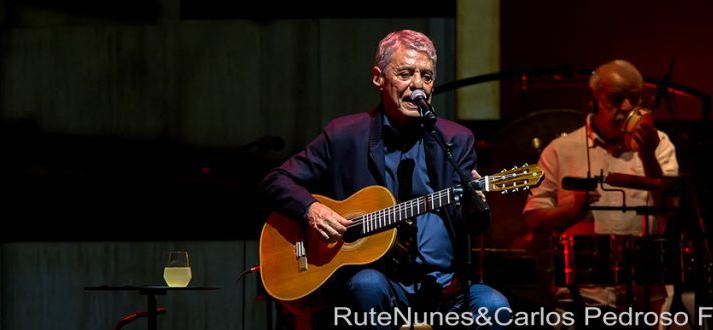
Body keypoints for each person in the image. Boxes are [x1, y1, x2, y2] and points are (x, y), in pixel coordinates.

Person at [260, 29, 510, 329]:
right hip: (380, 284)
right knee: (367, 285)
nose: (418, 86)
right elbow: (276, 180)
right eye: (405, 74)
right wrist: (312, 210)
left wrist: (475, 206)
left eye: (427, 77)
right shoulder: (345, 136)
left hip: (444, 286)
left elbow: (471, 224)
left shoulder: (456, 140)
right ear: (378, 78)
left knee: (494, 307)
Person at [522, 59, 680, 325]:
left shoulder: (659, 144)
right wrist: (570, 210)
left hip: (645, 296)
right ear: (592, 101)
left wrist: (648, 156)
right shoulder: (560, 150)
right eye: (616, 99)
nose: (627, 107)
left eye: (634, 99)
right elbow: (533, 218)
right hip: (581, 298)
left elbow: (672, 206)